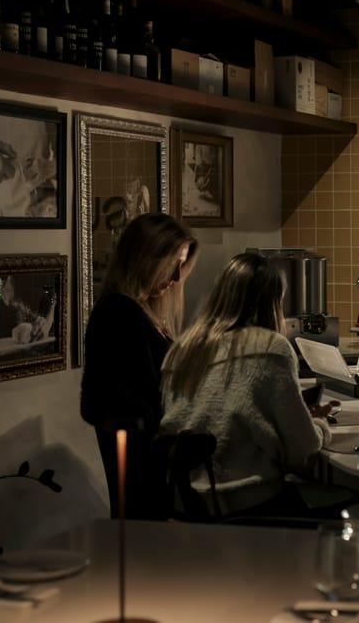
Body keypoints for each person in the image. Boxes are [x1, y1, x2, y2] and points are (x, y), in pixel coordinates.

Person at [159, 252, 344, 517]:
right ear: (272, 303)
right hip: (251, 506)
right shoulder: (270, 348)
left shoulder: (182, 351)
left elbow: (215, 415)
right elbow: (302, 452)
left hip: (189, 506)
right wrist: (319, 427)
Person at [80, 213, 199, 520]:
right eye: (172, 265)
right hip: (145, 462)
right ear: (146, 258)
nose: (175, 278)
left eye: (181, 267)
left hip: (151, 458)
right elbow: (125, 401)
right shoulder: (119, 313)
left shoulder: (138, 311)